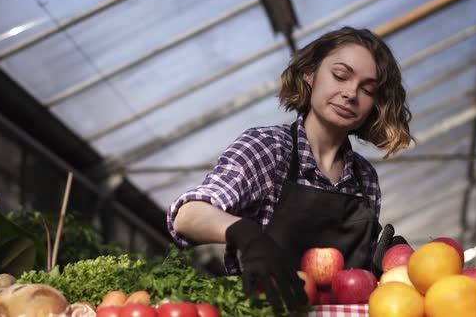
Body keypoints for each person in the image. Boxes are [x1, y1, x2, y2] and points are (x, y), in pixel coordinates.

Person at [167, 26, 413, 311]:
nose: (350, 93)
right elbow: (186, 215)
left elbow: (353, 278)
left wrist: (383, 266)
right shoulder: (269, 148)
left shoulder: (364, 177)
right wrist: (244, 233)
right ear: (310, 74)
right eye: (340, 76)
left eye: (367, 89)